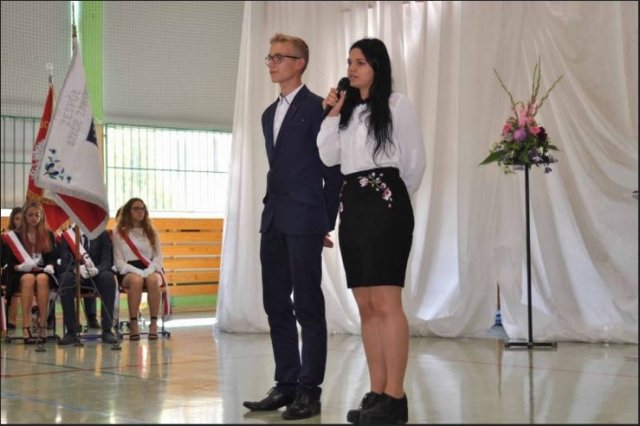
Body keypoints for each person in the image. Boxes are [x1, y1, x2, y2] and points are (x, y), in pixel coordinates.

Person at [317, 38, 426, 425]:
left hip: (385, 202)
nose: (352, 68)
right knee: (365, 304)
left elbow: (414, 163)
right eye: (349, 62)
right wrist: (333, 113)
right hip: (353, 206)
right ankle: (377, 391)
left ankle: (396, 396)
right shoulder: (346, 112)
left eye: (360, 62)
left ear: (377, 66)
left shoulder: (397, 105)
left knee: (386, 302)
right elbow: (327, 155)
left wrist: (388, 196)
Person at [241, 33, 342, 421]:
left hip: (304, 219)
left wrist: (323, 221)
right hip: (273, 220)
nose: (272, 63)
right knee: (275, 304)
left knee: (308, 305)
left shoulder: (319, 108)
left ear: (300, 63)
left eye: (279, 57)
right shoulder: (268, 114)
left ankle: (309, 390)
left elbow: (331, 170)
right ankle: (285, 383)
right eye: (269, 57)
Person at [2, 200, 57, 344]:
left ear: (41, 216)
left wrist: (51, 265)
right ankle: (26, 327)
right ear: (25, 216)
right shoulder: (15, 236)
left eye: (37, 215)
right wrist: (19, 267)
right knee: (28, 278)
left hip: (42, 271)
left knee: (42, 279)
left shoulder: (48, 234)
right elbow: (8, 262)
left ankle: (42, 325)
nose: (33, 218)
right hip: (20, 273)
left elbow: (52, 257)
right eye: (30, 215)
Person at [112, 198, 164, 341]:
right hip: (128, 271)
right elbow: (118, 262)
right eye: (136, 208)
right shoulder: (118, 233)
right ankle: (133, 323)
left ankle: (153, 324)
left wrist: (149, 270)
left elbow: (158, 257)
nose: (140, 211)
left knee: (153, 280)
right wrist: (137, 271)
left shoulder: (152, 232)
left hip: (150, 268)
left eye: (142, 209)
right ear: (128, 211)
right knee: (136, 280)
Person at [57, 224, 118, 345]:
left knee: (108, 279)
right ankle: (71, 331)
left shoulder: (102, 235)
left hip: (97, 274)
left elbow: (107, 261)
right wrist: (75, 269)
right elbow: (64, 261)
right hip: (76, 274)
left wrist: (97, 270)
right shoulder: (68, 236)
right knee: (65, 278)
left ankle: (107, 330)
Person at [2, 206, 23, 331]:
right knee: (15, 278)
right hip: (11, 269)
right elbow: (4, 260)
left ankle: (35, 315)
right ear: (12, 220)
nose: (19, 221)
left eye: (22, 218)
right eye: (17, 218)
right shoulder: (7, 237)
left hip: (26, 270)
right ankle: (12, 319)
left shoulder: (30, 236)